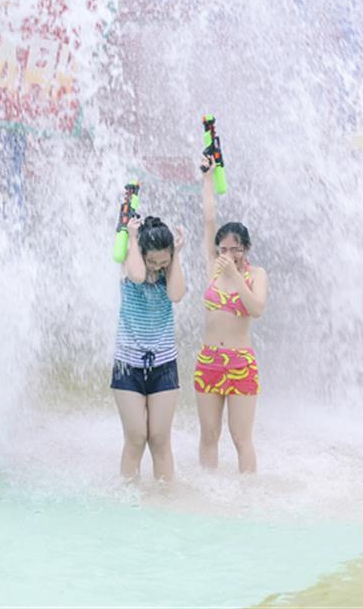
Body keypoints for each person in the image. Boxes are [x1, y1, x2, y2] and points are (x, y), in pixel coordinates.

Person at [195, 153, 269, 474]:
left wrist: (237, 277)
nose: (228, 254)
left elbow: (257, 309)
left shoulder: (256, 274)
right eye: (222, 249)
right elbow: (208, 220)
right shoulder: (212, 267)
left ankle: (248, 495)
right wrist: (207, 179)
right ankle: (208, 489)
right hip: (209, 360)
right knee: (209, 436)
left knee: (241, 438)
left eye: (234, 248)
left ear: (245, 249)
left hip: (240, 363)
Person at [111, 214, 187, 483]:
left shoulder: (169, 271)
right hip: (127, 366)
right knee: (135, 438)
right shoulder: (129, 260)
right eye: (152, 261)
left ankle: (165, 498)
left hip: (164, 365)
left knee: (159, 439)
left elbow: (176, 295)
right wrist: (133, 238)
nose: (156, 268)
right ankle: (128, 498)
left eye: (162, 263)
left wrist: (175, 258)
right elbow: (138, 275)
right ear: (141, 253)